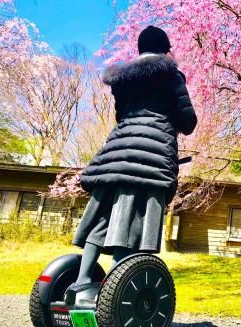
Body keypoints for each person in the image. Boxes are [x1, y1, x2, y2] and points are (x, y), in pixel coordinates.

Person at [65, 25, 197, 300]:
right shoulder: (172, 76)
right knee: (133, 223)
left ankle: (82, 282)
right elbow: (188, 122)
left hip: (116, 153)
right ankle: (112, 294)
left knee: (103, 215)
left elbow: (120, 117)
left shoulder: (123, 79)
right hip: (151, 155)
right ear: (164, 48)